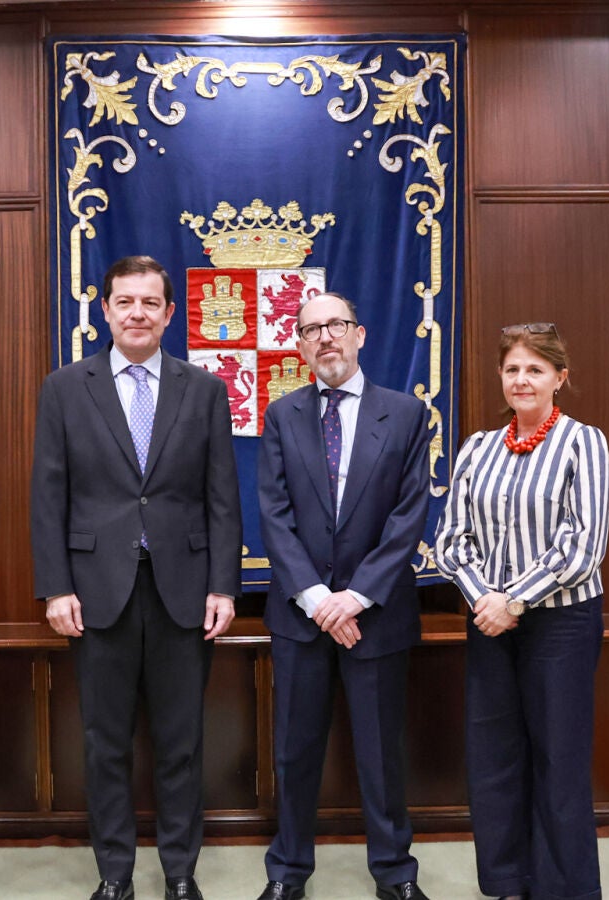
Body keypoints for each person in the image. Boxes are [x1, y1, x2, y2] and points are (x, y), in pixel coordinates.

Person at [31, 255, 242, 900]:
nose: (137, 313)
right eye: (125, 301)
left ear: (170, 313)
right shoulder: (66, 387)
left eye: (150, 302)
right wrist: (56, 587)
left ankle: (180, 873)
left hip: (185, 589)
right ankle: (115, 874)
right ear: (105, 310)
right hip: (95, 591)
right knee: (105, 743)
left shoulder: (203, 389)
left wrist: (223, 586)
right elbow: (48, 496)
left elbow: (222, 497)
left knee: (182, 742)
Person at [256, 293, 432, 900]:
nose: (325, 337)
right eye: (311, 330)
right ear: (300, 346)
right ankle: (287, 872)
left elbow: (409, 515)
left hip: (376, 616)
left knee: (381, 754)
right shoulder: (282, 415)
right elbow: (273, 514)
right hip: (300, 617)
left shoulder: (404, 414)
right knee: (294, 752)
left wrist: (354, 598)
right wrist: (316, 599)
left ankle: (395, 873)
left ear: (360, 334)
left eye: (336, 325)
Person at [432, 323, 609, 900]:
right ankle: (508, 880)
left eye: (535, 369)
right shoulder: (477, 448)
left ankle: (562, 888)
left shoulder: (584, 443)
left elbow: (583, 546)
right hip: (488, 620)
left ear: (560, 378)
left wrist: (514, 599)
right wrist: (486, 599)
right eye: (512, 369)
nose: (522, 380)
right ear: (500, 378)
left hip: (561, 623)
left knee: (558, 757)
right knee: (495, 756)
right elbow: (450, 540)